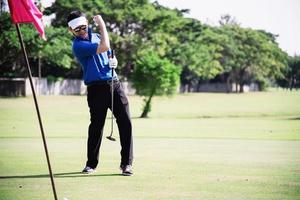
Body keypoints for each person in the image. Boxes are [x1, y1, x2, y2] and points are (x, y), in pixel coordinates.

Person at [67, 11, 133, 176]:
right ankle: (91, 164)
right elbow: (105, 46)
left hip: (114, 84)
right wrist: (102, 23)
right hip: (95, 88)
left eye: (84, 27)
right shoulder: (78, 45)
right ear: (71, 30)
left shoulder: (97, 36)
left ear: (87, 24)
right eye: (77, 29)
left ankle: (126, 164)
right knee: (96, 126)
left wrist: (114, 62)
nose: (82, 31)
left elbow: (108, 51)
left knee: (126, 122)